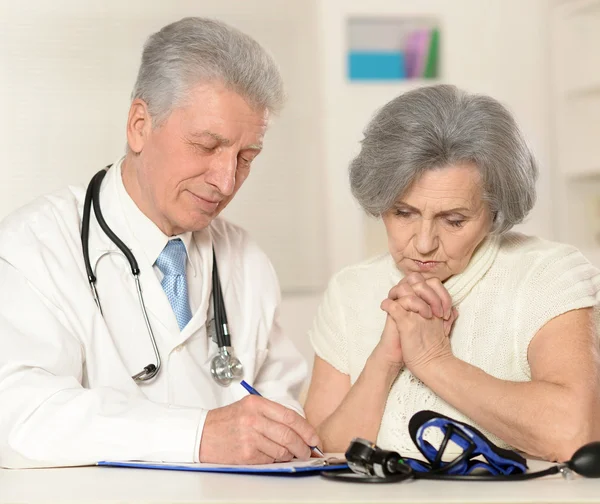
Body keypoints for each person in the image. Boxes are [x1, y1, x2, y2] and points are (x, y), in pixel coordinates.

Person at [0, 17, 320, 469]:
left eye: (246, 157)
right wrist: (198, 435)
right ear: (139, 126)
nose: (226, 180)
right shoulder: (35, 248)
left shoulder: (246, 262)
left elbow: (280, 417)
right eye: (207, 146)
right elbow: (19, 418)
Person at [304, 84, 600, 463]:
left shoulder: (548, 275)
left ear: (495, 213)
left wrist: (433, 361)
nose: (424, 243)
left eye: (454, 220)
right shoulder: (351, 288)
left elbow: (575, 434)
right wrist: (385, 359)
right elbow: (319, 452)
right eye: (403, 213)